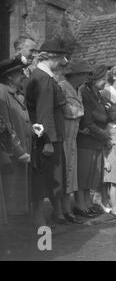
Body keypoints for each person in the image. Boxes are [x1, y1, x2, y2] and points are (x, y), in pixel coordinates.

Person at [25, 40, 68, 227]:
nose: (62, 62)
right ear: (52, 58)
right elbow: (44, 112)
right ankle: (39, 217)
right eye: (60, 58)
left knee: (52, 177)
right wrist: (48, 141)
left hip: (52, 136)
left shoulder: (44, 77)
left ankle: (52, 214)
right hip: (48, 138)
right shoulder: (43, 79)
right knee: (44, 177)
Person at [55, 58, 90, 224]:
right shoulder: (62, 88)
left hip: (73, 137)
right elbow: (65, 113)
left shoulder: (78, 90)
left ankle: (67, 209)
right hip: (63, 136)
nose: (86, 77)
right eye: (84, 74)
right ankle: (61, 211)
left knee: (71, 174)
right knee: (64, 174)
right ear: (76, 74)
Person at [74, 64, 111, 218]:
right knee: (83, 174)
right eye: (103, 79)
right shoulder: (84, 91)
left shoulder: (99, 95)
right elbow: (87, 121)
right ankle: (80, 205)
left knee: (92, 175)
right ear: (95, 78)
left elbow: (105, 116)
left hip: (96, 140)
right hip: (86, 140)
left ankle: (88, 203)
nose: (105, 83)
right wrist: (105, 134)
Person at [0, 55, 32, 224]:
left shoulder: (15, 95)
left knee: (16, 199)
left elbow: (19, 121)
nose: (24, 76)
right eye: (20, 73)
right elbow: (5, 127)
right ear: (10, 77)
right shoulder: (2, 93)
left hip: (19, 152)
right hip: (12, 154)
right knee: (10, 198)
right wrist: (20, 152)